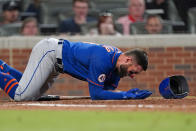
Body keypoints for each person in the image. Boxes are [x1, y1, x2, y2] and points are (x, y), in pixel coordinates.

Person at [0, 38, 152, 101]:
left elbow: (108, 92)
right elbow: (96, 94)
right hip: (50, 52)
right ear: (128, 60)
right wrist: (126, 95)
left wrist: (124, 95)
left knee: (31, 96)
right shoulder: (104, 59)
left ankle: (3, 67)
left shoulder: (118, 69)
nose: (132, 76)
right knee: (21, 96)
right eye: (133, 71)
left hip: (57, 64)